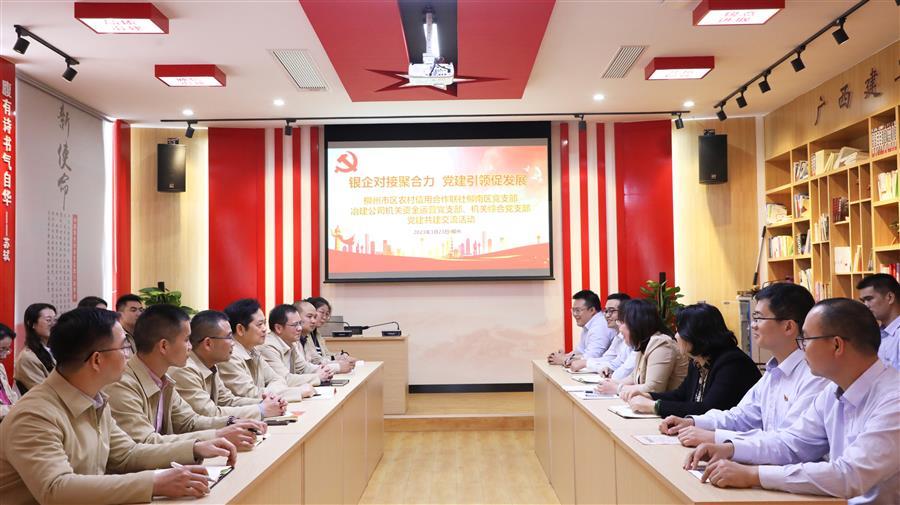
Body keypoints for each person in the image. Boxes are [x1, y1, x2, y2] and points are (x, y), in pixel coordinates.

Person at [0, 307, 237, 504]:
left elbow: (126, 454)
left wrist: (195, 449)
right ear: (97, 359)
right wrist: (155, 482)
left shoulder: (95, 398)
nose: (129, 355)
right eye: (124, 347)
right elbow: (56, 489)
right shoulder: (34, 414)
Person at [685, 298, 900, 504]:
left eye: (806, 340)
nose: (801, 348)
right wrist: (731, 449)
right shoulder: (833, 391)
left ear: (836, 345)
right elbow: (791, 443)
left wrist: (753, 475)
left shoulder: (893, 399)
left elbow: (849, 476)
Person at [659, 282, 826, 447]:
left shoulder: (814, 375)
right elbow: (741, 416)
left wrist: (715, 437)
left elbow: (788, 442)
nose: (753, 325)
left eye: (758, 318)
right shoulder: (773, 371)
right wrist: (693, 422)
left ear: (788, 327)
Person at [106, 304, 264, 450]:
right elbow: (145, 442)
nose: (191, 346)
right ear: (164, 346)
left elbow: (189, 421)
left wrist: (231, 422)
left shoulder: (163, 379)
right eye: (187, 340)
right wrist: (216, 436)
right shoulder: (122, 384)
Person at [626, 303, 760, 416]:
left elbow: (708, 409)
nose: (676, 336)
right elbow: (681, 395)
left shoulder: (732, 363)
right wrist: (649, 396)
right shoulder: (698, 360)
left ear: (695, 333)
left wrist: (655, 406)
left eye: (679, 330)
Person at [170, 310, 286, 420]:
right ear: (208, 343)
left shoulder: (211, 364)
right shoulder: (184, 369)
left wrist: (267, 403)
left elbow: (227, 400)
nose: (233, 343)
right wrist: (261, 410)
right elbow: (210, 413)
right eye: (229, 337)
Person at [218, 299, 314, 402]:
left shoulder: (253, 351)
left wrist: (271, 392)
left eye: (264, 323)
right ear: (240, 329)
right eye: (259, 324)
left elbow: (277, 379)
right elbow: (250, 394)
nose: (264, 329)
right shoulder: (229, 356)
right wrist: (296, 392)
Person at [595, 299, 688, 397]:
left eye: (621, 322)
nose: (620, 328)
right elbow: (634, 377)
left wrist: (617, 388)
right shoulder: (644, 343)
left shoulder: (661, 344)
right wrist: (612, 383)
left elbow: (654, 389)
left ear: (635, 324)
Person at [260, 303, 331, 386]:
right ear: (278, 328)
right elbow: (284, 379)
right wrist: (317, 377)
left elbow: (303, 368)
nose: (300, 328)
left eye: (300, 323)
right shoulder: (268, 347)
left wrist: (324, 370)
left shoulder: (290, 343)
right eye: (295, 325)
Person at [569, 292, 632, 374]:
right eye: (606, 311)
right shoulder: (618, 336)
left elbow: (619, 367)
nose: (607, 315)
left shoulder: (633, 337)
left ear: (626, 312)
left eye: (611, 311)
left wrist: (585, 363)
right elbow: (608, 359)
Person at [548, 290, 614, 367]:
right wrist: (564, 356)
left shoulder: (600, 326)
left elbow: (589, 358)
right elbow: (580, 350)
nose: (575, 314)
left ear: (592, 310)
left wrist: (563, 360)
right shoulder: (588, 325)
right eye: (573, 310)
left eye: (578, 310)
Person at [857, 273, 900, 370]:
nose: (865, 305)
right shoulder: (875, 334)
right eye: (863, 301)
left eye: (869, 299)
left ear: (890, 297)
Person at [300, 297, 353, 373]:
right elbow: (314, 361)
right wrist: (337, 365)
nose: (324, 317)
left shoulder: (317, 334)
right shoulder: (302, 334)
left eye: (327, 314)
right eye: (322, 312)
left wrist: (340, 357)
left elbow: (325, 355)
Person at [13, 302, 57, 392]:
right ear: (32, 324)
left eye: (55, 320)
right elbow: (43, 392)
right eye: (48, 320)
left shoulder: (55, 351)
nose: (53, 324)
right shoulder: (27, 358)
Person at [0, 323, 21, 420]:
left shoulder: (0, 367)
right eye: (1, 350)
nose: (4, 356)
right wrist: (15, 409)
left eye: (7, 349)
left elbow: (11, 396)